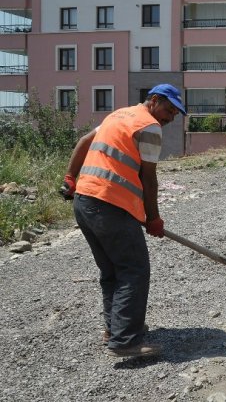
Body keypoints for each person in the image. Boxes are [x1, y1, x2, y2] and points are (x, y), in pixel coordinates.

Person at [59, 84, 186, 358]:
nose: (170, 117)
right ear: (153, 101)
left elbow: (84, 140)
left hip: (85, 201)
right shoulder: (149, 127)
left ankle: (114, 329)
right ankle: (126, 341)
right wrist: (154, 219)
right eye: (168, 109)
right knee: (134, 269)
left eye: (176, 113)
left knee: (112, 271)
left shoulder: (119, 115)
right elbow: (148, 178)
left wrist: (70, 177)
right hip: (110, 206)